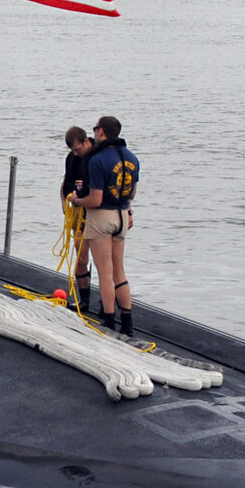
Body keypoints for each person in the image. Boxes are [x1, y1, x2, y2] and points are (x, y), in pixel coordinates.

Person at [70, 115, 141, 336]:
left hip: (101, 217)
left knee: (105, 272)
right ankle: (127, 321)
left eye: (95, 128)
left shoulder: (97, 160)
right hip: (121, 215)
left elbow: (95, 200)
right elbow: (133, 193)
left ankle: (109, 320)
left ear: (101, 132)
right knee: (119, 271)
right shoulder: (132, 158)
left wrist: (76, 201)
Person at [61, 125, 95, 306]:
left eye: (77, 149)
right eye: (72, 151)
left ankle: (109, 304)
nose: (76, 153)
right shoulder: (72, 158)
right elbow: (65, 182)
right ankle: (84, 301)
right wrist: (64, 205)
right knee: (81, 259)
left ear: (86, 141)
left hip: (96, 213)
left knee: (102, 261)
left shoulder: (97, 158)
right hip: (78, 213)